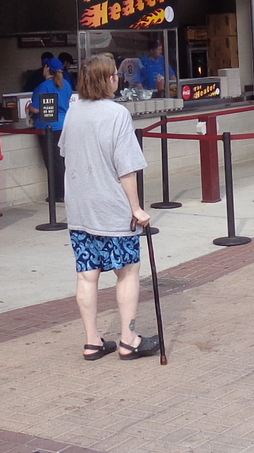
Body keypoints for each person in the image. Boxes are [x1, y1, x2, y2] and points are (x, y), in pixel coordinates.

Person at [59, 54, 160, 361]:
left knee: (87, 275)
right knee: (127, 271)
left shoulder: (73, 112)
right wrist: (137, 208)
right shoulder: (117, 114)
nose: (118, 78)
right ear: (107, 79)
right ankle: (128, 340)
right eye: (115, 74)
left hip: (79, 207)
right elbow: (126, 169)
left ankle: (92, 342)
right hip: (111, 208)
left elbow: (66, 152)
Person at [30, 58, 75, 200]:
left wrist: (29, 107)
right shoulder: (66, 84)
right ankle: (64, 192)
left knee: (52, 161)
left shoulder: (43, 87)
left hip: (48, 128)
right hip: (63, 125)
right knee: (61, 160)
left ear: (47, 68)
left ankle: (58, 194)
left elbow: (36, 109)